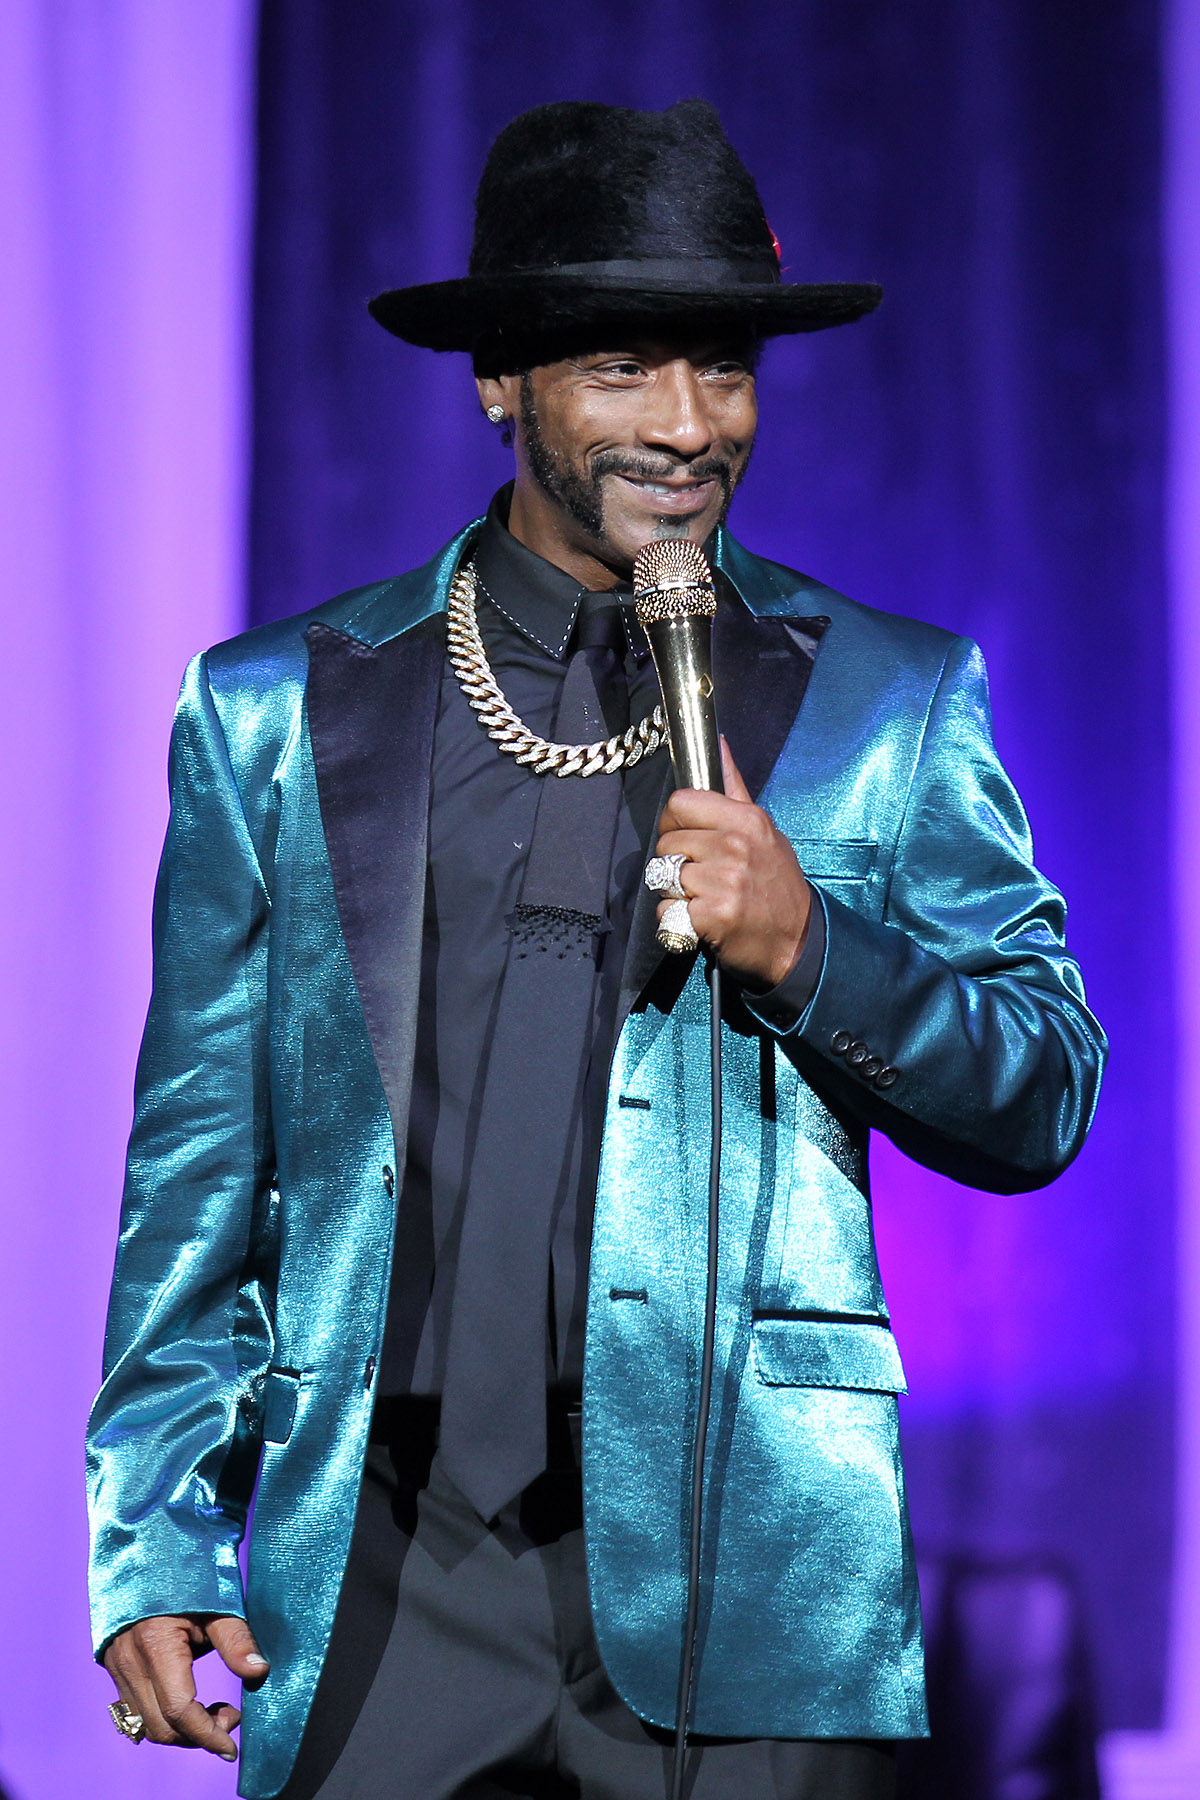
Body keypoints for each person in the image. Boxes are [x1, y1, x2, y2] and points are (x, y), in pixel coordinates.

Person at [88, 99, 1105, 1800]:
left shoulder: (889, 696)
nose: (691, 426)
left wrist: (814, 948)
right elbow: (196, 1163)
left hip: (751, 1589)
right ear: (501, 378)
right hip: (385, 1586)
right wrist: (155, 1527)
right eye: (625, 369)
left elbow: (1046, 1088)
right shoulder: (274, 709)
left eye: (725, 370)